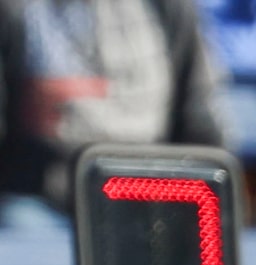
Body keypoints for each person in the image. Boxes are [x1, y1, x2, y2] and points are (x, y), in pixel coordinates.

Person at [0, 0, 224, 223]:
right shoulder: (15, 8)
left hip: (150, 192)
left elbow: (200, 119)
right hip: (39, 195)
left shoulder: (167, 7)